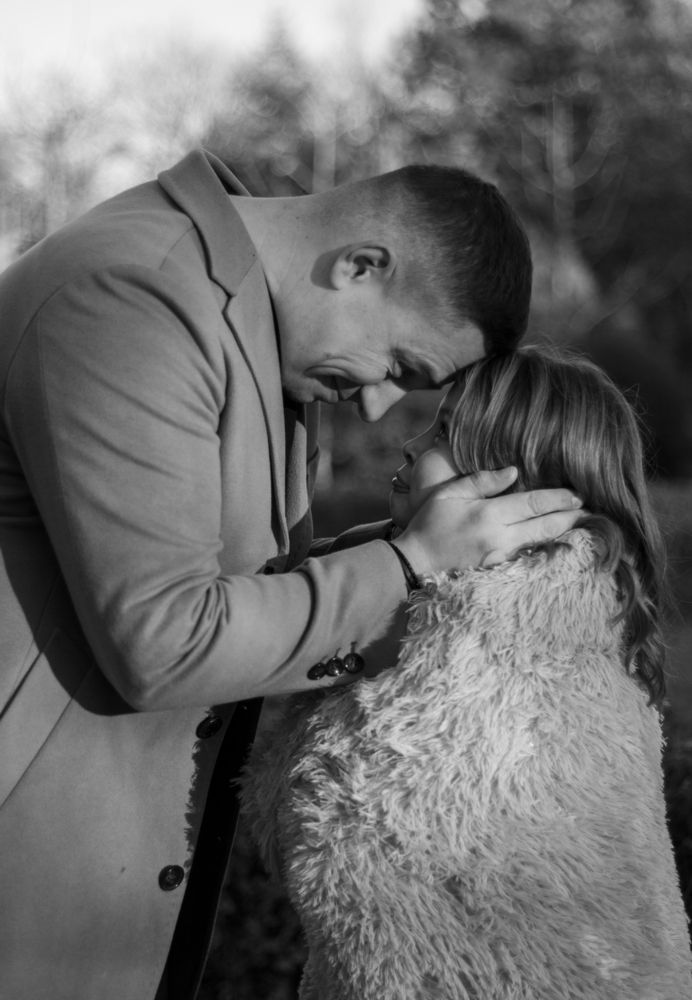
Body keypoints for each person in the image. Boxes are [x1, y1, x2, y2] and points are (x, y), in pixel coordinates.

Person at [0, 149, 582, 1000]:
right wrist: (413, 563)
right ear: (361, 265)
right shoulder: (132, 295)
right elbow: (165, 641)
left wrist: (450, 560)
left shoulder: (249, 320)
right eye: (400, 366)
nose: (379, 405)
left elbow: (246, 583)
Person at [242, 346, 692, 1000]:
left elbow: (326, 818)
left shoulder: (477, 641)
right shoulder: (584, 619)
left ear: (511, 491)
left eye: (445, 434)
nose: (410, 444)